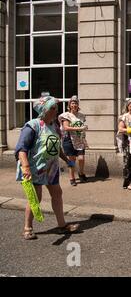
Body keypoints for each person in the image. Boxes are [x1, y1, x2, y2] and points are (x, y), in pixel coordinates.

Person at [15, 96, 80, 240]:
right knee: (36, 197)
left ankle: (61, 225)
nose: (55, 110)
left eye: (55, 108)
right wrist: (25, 167)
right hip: (35, 167)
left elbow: (56, 148)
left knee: (57, 193)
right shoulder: (32, 126)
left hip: (52, 167)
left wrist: (66, 160)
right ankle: (28, 228)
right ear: (43, 110)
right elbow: (21, 149)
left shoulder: (54, 126)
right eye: (52, 108)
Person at [58, 95, 88, 186]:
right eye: (72, 103)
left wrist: (84, 129)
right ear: (69, 105)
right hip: (69, 140)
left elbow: (82, 127)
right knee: (72, 160)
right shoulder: (66, 115)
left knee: (81, 158)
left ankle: (81, 173)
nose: (74, 105)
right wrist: (80, 128)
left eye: (76, 103)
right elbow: (66, 127)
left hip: (79, 140)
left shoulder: (81, 116)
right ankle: (72, 178)